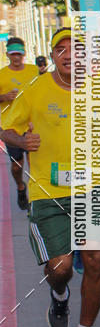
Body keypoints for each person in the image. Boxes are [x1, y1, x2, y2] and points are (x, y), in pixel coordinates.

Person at [1, 28, 100, 327]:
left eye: (76, 49)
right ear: (53, 56)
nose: (69, 54)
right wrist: (21, 141)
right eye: (61, 49)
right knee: (61, 269)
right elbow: (6, 127)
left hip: (93, 187)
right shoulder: (35, 90)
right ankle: (59, 295)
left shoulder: (97, 90)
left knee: (96, 260)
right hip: (48, 191)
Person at [0, 37, 39, 210]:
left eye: (19, 54)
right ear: (8, 54)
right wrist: (4, 97)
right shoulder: (2, 74)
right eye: (13, 54)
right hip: (11, 127)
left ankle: (36, 198)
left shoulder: (33, 70)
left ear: (24, 54)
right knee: (17, 166)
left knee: (34, 164)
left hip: (32, 125)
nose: (16, 57)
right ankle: (20, 187)